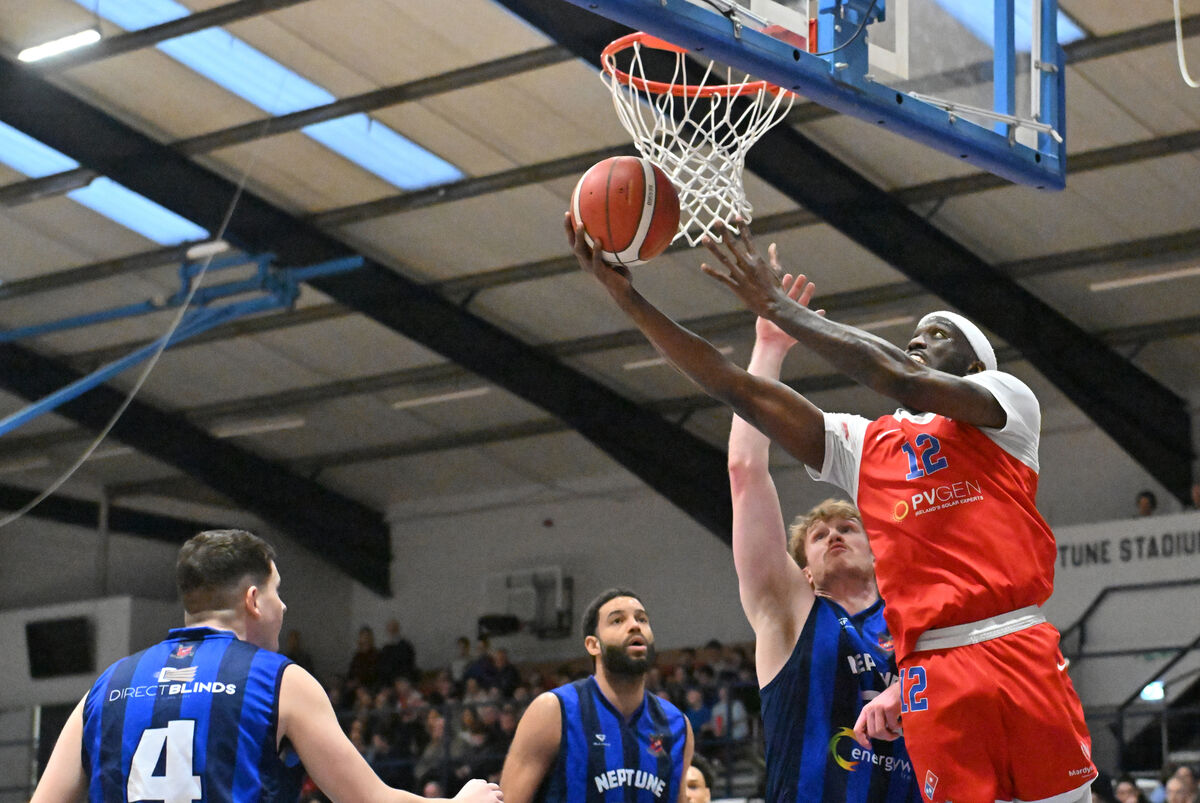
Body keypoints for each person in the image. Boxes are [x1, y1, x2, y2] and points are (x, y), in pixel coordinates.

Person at [567, 214, 1096, 802]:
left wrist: (779, 307)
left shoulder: (1008, 407)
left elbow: (897, 375)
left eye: (939, 334)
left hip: (1014, 641)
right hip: (934, 670)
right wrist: (629, 299)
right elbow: (734, 387)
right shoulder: (864, 444)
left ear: (976, 369)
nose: (918, 340)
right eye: (916, 334)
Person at [29, 529, 503, 803]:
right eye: (277, 591)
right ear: (254, 600)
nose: (284, 607)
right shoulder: (280, 681)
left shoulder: (106, 686)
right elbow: (369, 801)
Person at [726, 278, 917, 801]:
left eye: (848, 527)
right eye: (818, 535)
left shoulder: (916, 618)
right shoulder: (789, 611)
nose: (834, 534)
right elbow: (744, 471)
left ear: (878, 556)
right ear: (803, 573)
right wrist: (767, 348)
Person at [500, 587, 693, 803]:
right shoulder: (554, 710)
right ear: (593, 645)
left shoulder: (677, 724)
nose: (634, 626)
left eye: (642, 619)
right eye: (617, 621)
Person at [379, 618, 418, 685]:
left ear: (398, 629)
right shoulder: (385, 648)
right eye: (390, 630)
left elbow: (408, 665)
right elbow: (383, 667)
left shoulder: (406, 646)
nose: (391, 632)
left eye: (394, 630)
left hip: (403, 681)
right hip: (388, 682)